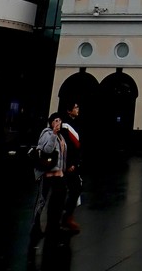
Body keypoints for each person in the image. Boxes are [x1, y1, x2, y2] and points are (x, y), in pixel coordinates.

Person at [28, 113, 67, 251]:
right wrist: (53, 134)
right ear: (51, 122)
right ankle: (35, 225)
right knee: (42, 200)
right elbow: (47, 150)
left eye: (60, 120)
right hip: (48, 173)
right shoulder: (47, 133)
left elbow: (62, 156)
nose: (59, 123)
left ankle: (54, 225)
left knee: (59, 199)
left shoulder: (61, 136)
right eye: (56, 120)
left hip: (58, 174)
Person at [58, 100, 82, 234]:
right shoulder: (65, 125)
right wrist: (70, 163)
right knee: (72, 189)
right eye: (75, 107)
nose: (77, 109)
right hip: (67, 164)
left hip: (74, 163)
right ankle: (65, 217)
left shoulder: (74, 123)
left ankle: (67, 216)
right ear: (69, 110)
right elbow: (66, 146)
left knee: (75, 188)